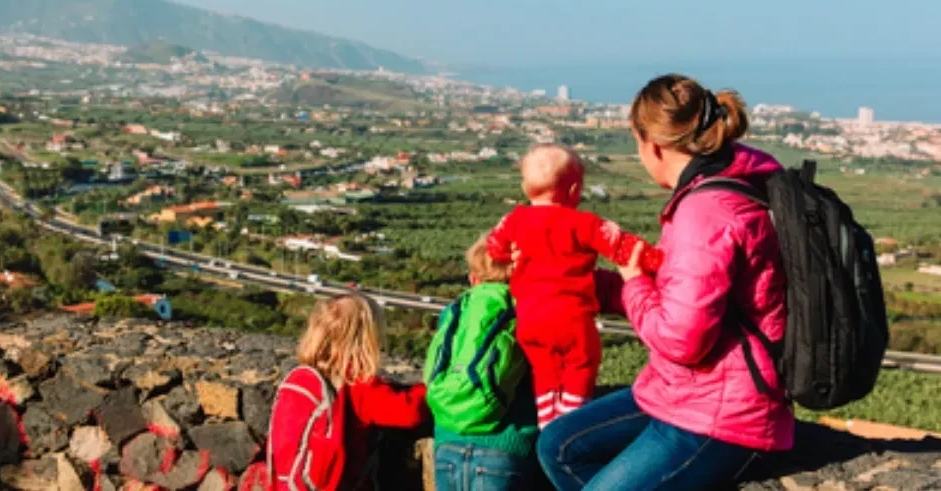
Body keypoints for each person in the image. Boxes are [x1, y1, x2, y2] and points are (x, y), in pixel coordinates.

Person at [536, 74, 794, 491]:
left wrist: (633, 281)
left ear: (650, 144)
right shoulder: (728, 183)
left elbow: (682, 341)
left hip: (723, 412)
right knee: (559, 446)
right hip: (688, 391)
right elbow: (691, 297)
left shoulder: (705, 213)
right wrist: (587, 284)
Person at [486, 144, 662, 428]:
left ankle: (548, 423)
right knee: (581, 363)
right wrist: (662, 263)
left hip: (529, 319)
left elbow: (494, 247)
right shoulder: (583, 223)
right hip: (570, 317)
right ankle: (572, 420)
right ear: (573, 190)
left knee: (545, 369)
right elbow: (626, 248)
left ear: (524, 187)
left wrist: (511, 255)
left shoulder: (514, 219)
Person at [263, 294, 429, 491]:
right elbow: (408, 413)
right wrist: (428, 388)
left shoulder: (305, 377)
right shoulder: (359, 385)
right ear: (367, 340)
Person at [427, 236, 540, 491]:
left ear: (473, 279)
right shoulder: (528, 312)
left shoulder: (455, 312)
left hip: (446, 447)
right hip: (503, 450)